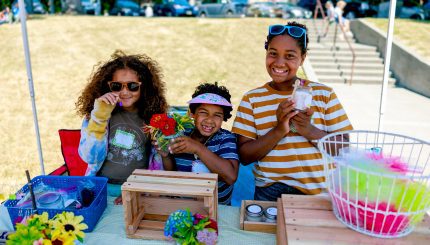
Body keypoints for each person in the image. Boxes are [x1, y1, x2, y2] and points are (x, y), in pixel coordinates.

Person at [232, 21, 353, 201]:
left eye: (290, 56)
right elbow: (245, 156)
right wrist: (280, 129)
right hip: (270, 191)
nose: (279, 63)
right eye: (273, 54)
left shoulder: (323, 95)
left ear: (302, 58)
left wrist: (309, 130)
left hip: (320, 192)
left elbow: (344, 149)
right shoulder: (252, 99)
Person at [77, 50, 168, 205]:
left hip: (137, 190)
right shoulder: (97, 116)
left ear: (144, 87)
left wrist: (137, 191)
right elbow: (89, 157)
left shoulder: (153, 118)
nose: (125, 92)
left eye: (133, 86)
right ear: (107, 86)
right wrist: (99, 118)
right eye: (117, 86)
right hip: (99, 189)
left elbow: (157, 165)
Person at [158, 82, 239, 205]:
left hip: (217, 208)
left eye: (217, 115)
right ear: (192, 113)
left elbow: (230, 177)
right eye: (203, 112)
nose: (210, 120)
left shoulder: (226, 138)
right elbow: (173, 172)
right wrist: (165, 155)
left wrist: (197, 148)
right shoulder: (181, 135)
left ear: (224, 118)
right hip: (183, 205)